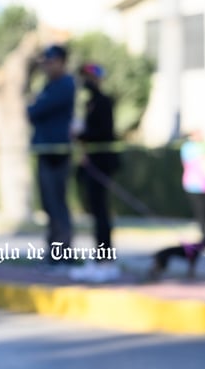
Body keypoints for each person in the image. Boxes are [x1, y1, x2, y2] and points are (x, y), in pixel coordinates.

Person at [69, 63, 121, 282]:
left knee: (101, 213)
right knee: (95, 212)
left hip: (102, 164)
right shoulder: (89, 103)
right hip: (92, 164)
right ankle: (100, 258)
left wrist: (83, 134)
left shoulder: (103, 102)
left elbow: (104, 132)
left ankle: (105, 260)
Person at [27, 44, 75, 265]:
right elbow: (32, 112)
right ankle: (54, 250)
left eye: (51, 61)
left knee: (57, 203)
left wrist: (37, 105)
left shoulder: (64, 85)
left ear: (62, 62)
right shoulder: (49, 86)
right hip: (45, 150)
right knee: (49, 204)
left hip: (57, 152)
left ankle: (62, 252)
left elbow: (36, 110)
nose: (47, 66)